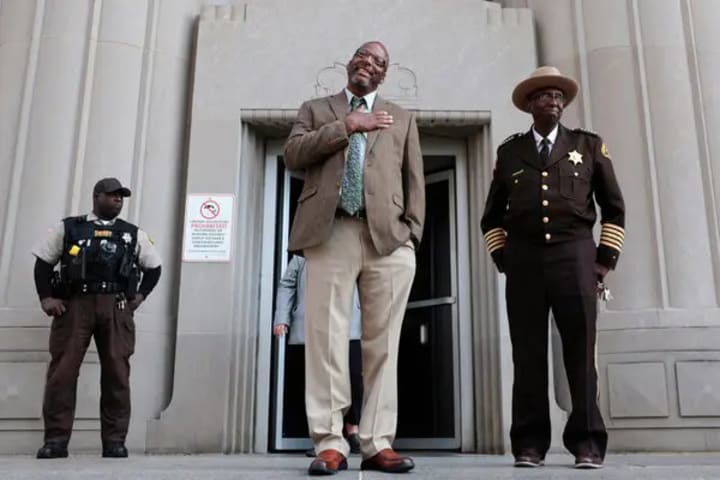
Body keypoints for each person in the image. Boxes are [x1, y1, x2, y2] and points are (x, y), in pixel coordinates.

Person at [284, 40, 424, 475]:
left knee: (384, 345)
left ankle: (377, 442)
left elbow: (414, 180)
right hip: (331, 233)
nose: (369, 63)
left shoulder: (402, 117)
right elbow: (293, 155)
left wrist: (412, 235)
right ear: (350, 64)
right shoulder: (315, 109)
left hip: (388, 239)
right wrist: (346, 126)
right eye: (363, 56)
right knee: (326, 340)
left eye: (378, 61)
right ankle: (329, 442)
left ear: (384, 74)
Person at [481, 66, 625, 469]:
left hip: (575, 257)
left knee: (581, 355)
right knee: (527, 356)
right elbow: (491, 218)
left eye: (559, 96)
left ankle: (587, 442)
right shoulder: (510, 152)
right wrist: (505, 260)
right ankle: (529, 444)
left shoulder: (588, 145)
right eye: (545, 95)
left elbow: (614, 208)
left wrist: (603, 261)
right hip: (524, 262)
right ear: (530, 105)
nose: (554, 101)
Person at [32, 177, 162, 459]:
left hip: (115, 306)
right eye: (112, 195)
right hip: (75, 305)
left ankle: (115, 442)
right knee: (62, 373)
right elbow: (43, 263)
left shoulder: (132, 233)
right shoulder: (69, 227)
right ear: (96, 196)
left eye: (121, 196)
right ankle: (55, 441)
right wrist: (46, 298)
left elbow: (154, 268)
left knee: (117, 375)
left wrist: (139, 297)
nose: (118, 200)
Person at [272, 255, 363, 456]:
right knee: (320, 384)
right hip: (313, 323)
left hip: (348, 324)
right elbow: (287, 284)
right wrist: (282, 318)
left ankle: (352, 427)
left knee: (354, 377)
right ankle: (327, 439)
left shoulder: (352, 245)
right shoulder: (302, 254)